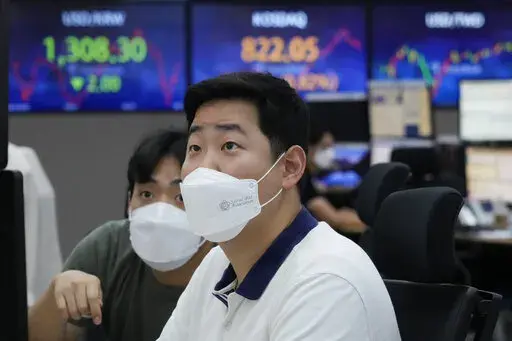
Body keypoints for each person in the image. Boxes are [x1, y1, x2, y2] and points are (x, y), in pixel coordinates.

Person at [157, 72, 400, 341]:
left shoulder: (326, 283)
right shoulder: (217, 264)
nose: (203, 168)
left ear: (290, 167)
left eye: (229, 145)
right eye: (194, 148)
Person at [28, 130, 213, 341]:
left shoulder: (231, 260)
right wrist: (55, 296)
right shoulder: (107, 248)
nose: (161, 212)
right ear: (129, 203)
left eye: (181, 197)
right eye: (146, 194)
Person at [302, 124, 366, 233]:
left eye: (331, 147)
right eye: (324, 147)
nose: (330, 154)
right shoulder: (302, 179)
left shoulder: (310, 175)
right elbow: (334, 219)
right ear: (309, 148)